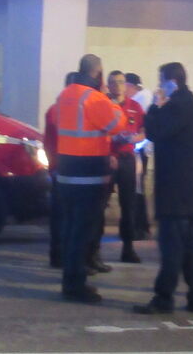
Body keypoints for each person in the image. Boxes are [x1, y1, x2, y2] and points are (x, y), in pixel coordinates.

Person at [133, 62, 193, 314]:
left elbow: (155, 131)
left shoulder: (178, 105)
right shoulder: (191, 103)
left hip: (177, 190)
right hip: (189, 189)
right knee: (189, 246)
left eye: (161, 81)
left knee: (172, 246)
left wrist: (154, 106)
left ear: (171, 82)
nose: (159, 86)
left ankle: (164, 298)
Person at [52, 54, 127, 304]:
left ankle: (70, 279)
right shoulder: (93, 98)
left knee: (71, 229)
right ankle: (75, 285)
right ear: (98, 73)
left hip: (66, 173)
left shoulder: (64, 95)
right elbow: (118, 124)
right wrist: (111, 100)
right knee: (83, 232)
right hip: (88, 174)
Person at [107, 70, 146, 263]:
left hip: (128, 159)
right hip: (108, 159)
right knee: (100, 204)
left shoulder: (135, 106)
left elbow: (144, 129)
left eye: (121, 82)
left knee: (128, 205)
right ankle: (93, 252)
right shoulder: (104, 105)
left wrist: (136, 138)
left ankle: (128, 249)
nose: (118, 86)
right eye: (113, 82)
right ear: (108, 85)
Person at [44, 71, 79, 269]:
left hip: (62, 168)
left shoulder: (56, 109)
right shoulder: (60, 111)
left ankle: (59, 254)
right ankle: (59, 254)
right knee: (62, 215)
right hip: (64, 169)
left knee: (62, 215)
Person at [126, 72, 153, 240]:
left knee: (135, 188)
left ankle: (138, 227)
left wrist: (133, 143)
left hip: (137, 151)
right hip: (140, 150)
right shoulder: (143, 99)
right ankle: (142, 226)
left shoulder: (139, 102)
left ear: (132, 86)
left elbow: (142, 129)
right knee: (138, 188)